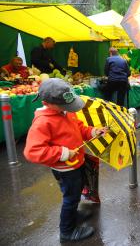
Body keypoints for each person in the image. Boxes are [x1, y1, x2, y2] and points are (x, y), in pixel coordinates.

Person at [23, 78, 107, 242]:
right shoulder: (43, 122)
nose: (70, 109)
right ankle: (67, 231)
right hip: (65, 170)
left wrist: (92, 132)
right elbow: (32, 151)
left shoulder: (66, 111)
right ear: (47, 102)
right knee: (70, 198)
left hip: (77, 163)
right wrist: (62, 153)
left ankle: (73, 213)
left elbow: (80, 128)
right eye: (65, 106)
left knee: (74, 193)